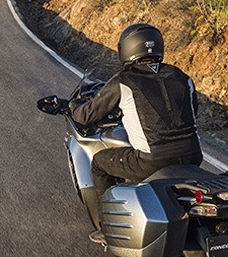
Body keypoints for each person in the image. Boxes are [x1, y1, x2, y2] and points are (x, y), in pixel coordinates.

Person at [71, 23, 202, 241]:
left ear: (128, 49)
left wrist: (74, 109)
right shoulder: (181, 76)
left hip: (152, 161)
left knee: (100, 163)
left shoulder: (124, 81)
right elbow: (191, 111)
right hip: (193, 156)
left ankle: (108, 225)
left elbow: (89, 114)